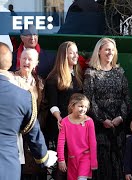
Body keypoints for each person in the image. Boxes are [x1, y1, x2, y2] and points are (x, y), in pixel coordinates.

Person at [0, 42, 57, 180]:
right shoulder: (22, 95)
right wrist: (44, 157)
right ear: (11, 63)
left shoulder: (37, 85)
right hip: (6, 166)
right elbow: (32, 131)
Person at [83, 37, 130, 180]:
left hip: (118, 125)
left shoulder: (119, 72)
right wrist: (103, 120)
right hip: (99, 127)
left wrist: (120, 117)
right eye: (107, 49)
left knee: (118, 163)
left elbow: (126, 97)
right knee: (103, 165)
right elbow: (89, 100)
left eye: (112, 49)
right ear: (99, 52)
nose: (110, 52)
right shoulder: (91, 73)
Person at [45, 41, 83, 179]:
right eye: (72, 52)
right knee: (60, 166)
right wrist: (59, 118)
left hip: (77, 127)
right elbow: (52, 104)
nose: (75, 55)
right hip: (60, 127)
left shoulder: (79, 76)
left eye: (76, 52)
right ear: (63, 55)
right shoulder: (53, 78)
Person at [12, 48, 47, 179]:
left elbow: (43, 107)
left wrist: (34, 124)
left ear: (36, 63)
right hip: (13, 135)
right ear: (19, 60)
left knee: (31, 172)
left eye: (30, 59)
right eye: (24, 58)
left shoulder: (40, 83)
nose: (26, 61)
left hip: (32, 134)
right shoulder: (10, 79)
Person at [57, 93, 97, 180]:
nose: (83, 109)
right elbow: (61, 142)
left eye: (86, 107)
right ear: (72, 106)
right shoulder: (64, 122)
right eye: (81, 106)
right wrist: (61, 160)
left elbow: (93, 142)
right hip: (72, 159)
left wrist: (94, 162)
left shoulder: (89, 121)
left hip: (85, 157)